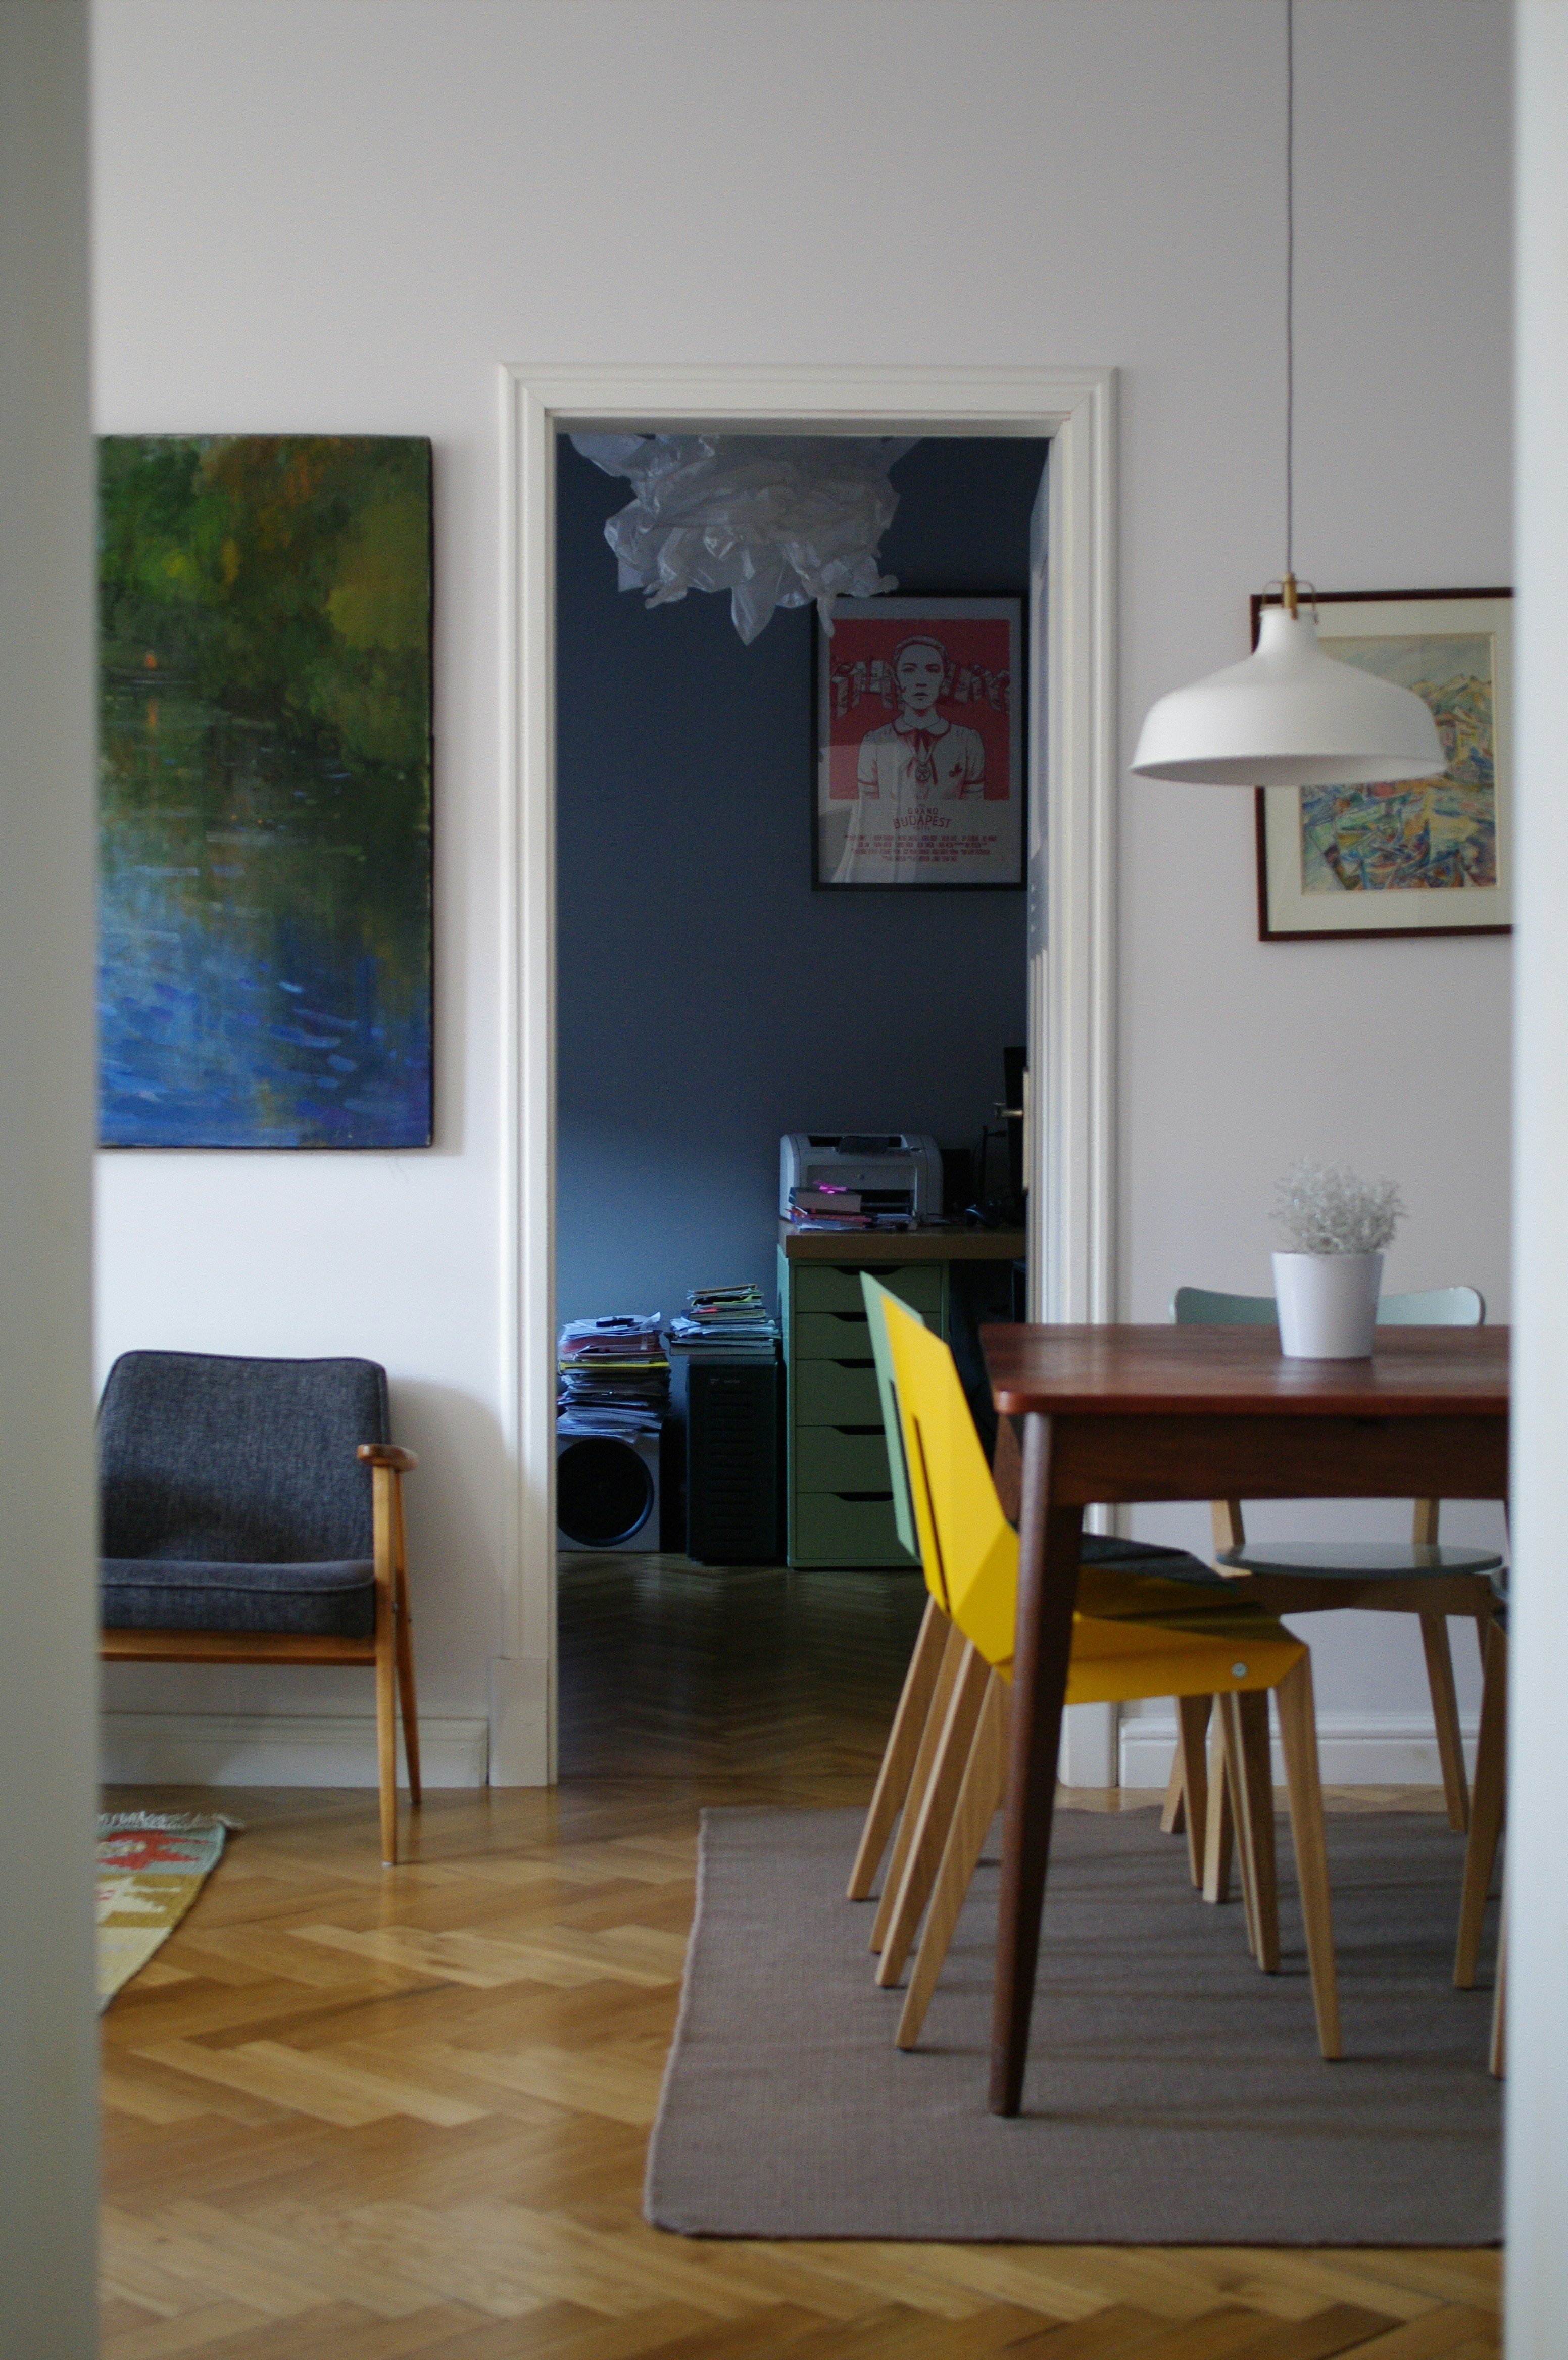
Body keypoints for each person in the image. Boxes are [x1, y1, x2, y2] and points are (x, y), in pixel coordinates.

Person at [854, 635, 986, 806]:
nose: (921, 681)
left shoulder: (968, 742)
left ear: (944, 678)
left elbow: (975, 811)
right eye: (909, 670)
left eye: (932, 670)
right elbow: (869, 812)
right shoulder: (874, 742)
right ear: (896, 678)